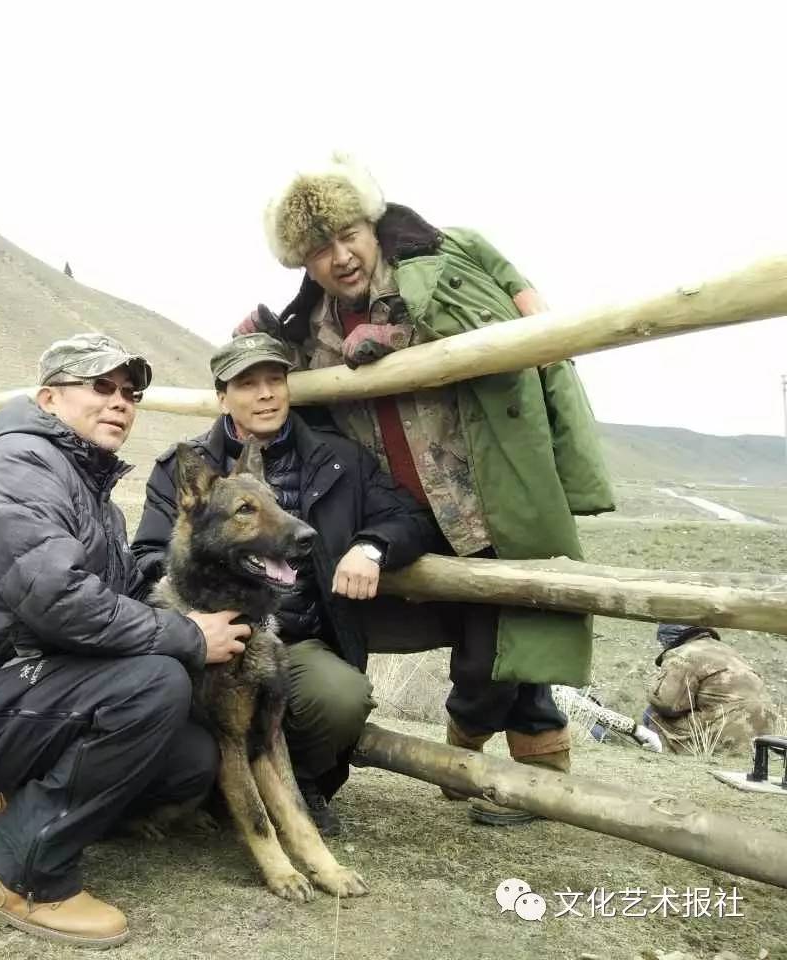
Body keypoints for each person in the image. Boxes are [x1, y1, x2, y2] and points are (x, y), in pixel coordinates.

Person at [242, 152, 617, 825]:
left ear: (370, 223)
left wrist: (403, 336)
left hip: (482, 495)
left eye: (348, 235)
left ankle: (521, 768)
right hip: (402, 511)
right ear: (304, 263)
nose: (341, 257)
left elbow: (514, 329)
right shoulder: (314, 329)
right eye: (319, 250)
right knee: (488, 636)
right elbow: (274, 383)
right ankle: (502, 763)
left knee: (509, 631)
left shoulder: (439, 275)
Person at [0, 333, 251, 949]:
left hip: (18, 691)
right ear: (48, 398)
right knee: (155, 683)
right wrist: (187, 633)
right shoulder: (21, 467)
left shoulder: (87, 486)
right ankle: (24, 877)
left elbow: (119, 592)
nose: (120, 404)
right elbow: (60, 601)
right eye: (101, 388)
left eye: (129, 394)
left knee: (190, 759)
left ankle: (29, 802)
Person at [133, 333, 441, 834]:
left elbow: (406, 517)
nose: (266, 394)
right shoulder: (181, 469)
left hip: (298, 635)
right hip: (210, 633)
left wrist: (371, 547)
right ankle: (213, 792)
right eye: (248, 383)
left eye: (275, 379)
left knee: (340, 697)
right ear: (222, 396)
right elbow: (147, 553)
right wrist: (192, 616)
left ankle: (299, 784)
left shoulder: (341, 459)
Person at [645, 624, 776, 755]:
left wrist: (653, 687)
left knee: (651, 714)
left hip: (730, 731)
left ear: (667, 640)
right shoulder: (726, 650)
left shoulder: (683, 653)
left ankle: (655, 754)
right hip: (763, 734)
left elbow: (666, 704)